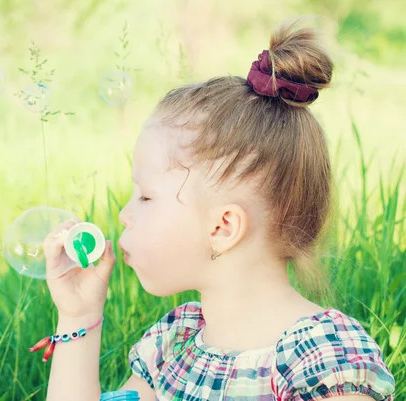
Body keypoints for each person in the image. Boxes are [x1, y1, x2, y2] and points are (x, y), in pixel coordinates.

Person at [37, 20, 396, 401]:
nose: (125, 214)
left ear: (223, 226)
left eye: (145, 197)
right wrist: (78, 316)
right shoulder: (173, 347)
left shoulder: (321, 361)